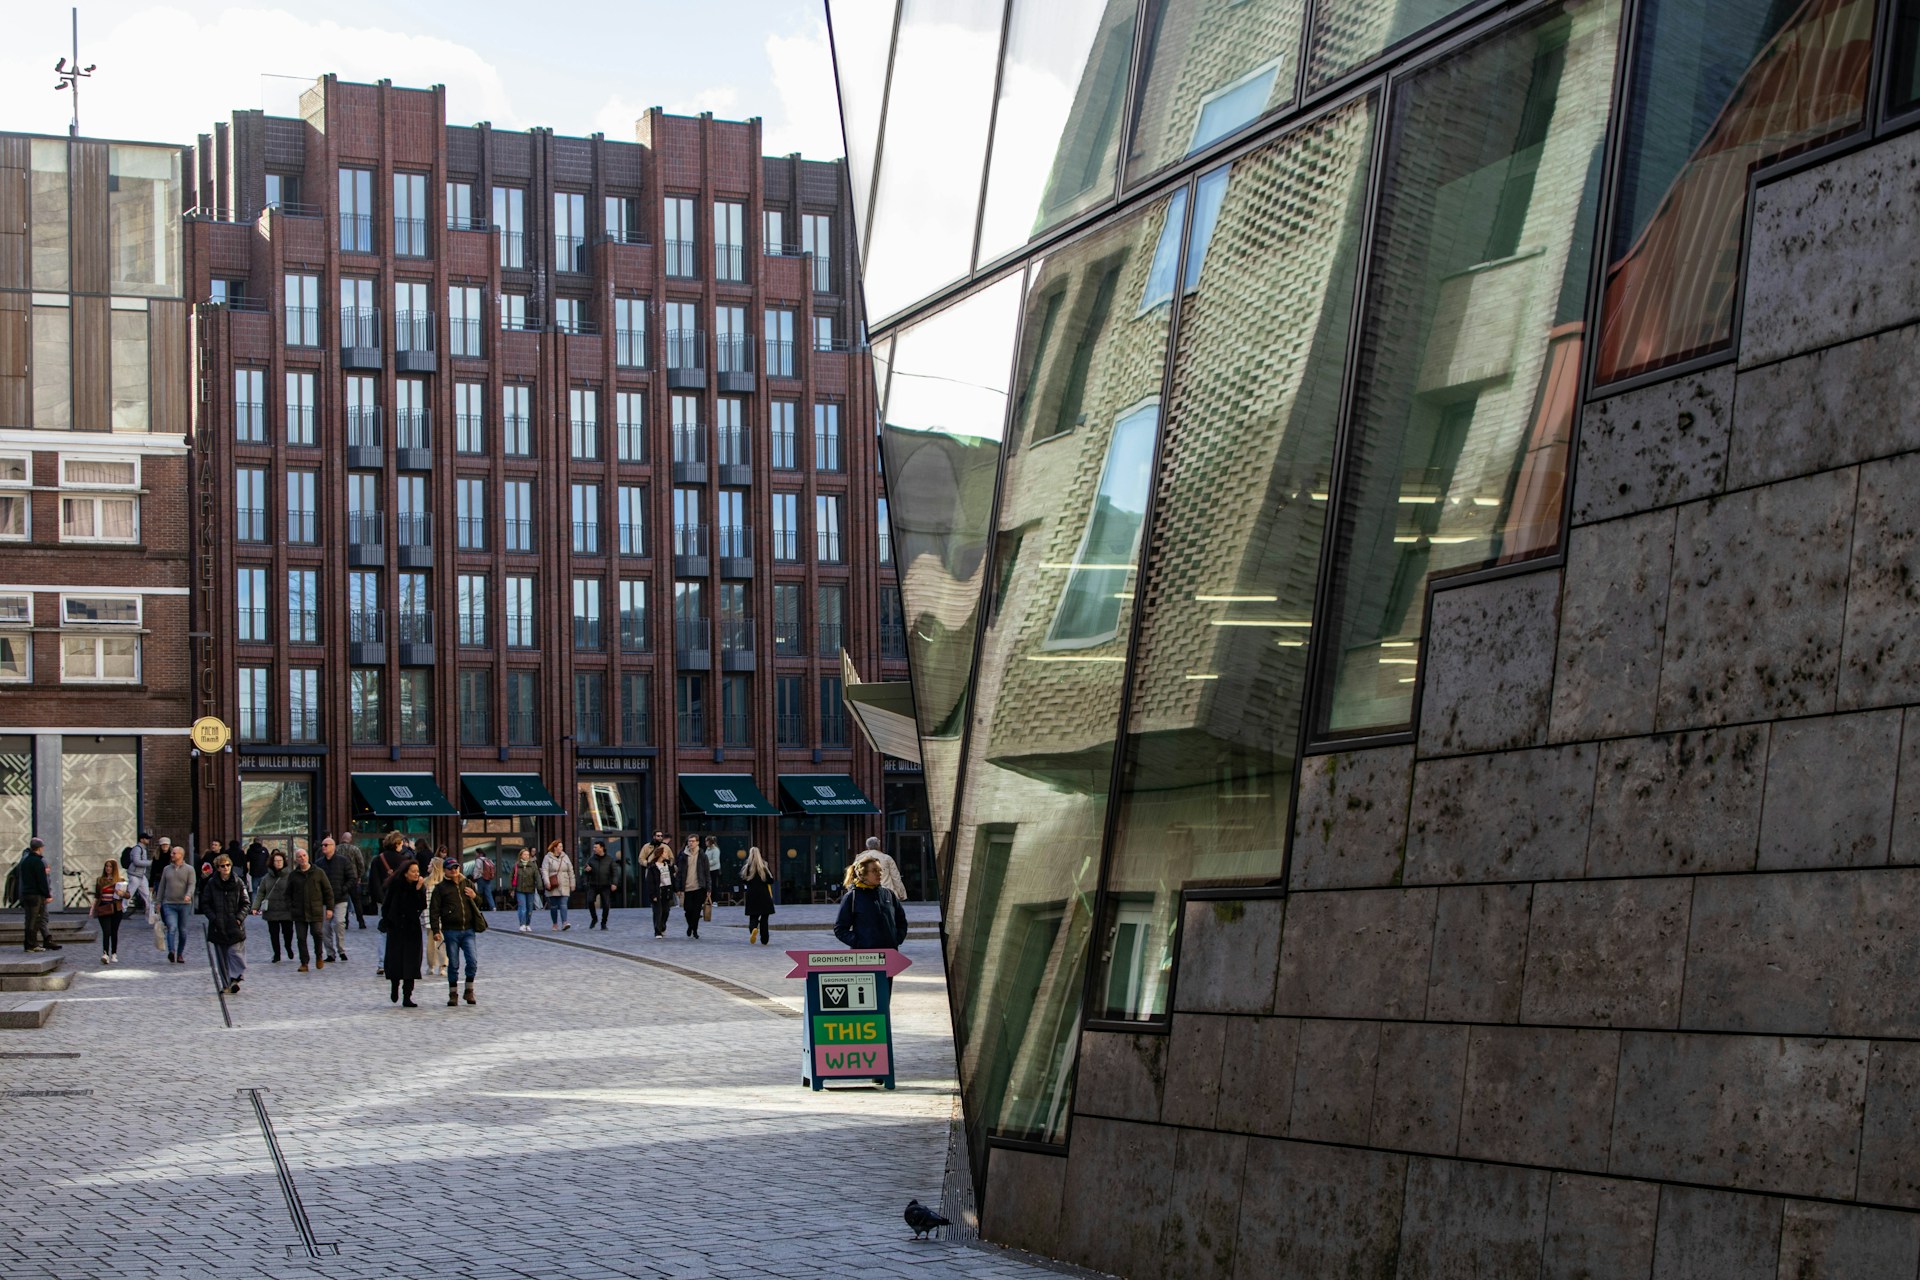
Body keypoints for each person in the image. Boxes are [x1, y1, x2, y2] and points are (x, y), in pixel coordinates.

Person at [429, 856, 483, 1007]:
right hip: (451, 931)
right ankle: (453, 994)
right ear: (445, 870)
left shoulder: (467, 883)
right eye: (450, 868)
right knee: (453, 963)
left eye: (456, 867)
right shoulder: (440, 888)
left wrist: (475, 896)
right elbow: (434, 911)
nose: (454, 870)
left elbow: (479, 902)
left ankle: (469, 989)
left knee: (472, 961)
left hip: (468, 930)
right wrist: (435, 930)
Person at [834, 854, 909, 950]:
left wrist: (896, 939)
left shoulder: (888, 894)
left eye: (880, 870)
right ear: (863, 874)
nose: (879, 874)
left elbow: (901, 921)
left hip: (889, 954)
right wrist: (859, 943)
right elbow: (840, 929)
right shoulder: (852, 897)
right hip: (864, 957)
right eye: (874, 871)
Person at [381, 858, 425, 1007]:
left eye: (417, 871)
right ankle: (394, 987)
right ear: (405, 873)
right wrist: (386, 921)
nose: (416, 874)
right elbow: (387, 905)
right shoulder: (395, 886)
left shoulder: (418, 887)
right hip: (396, 928)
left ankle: (407, 996)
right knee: (396, 961)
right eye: (413, 871)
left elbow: (421, 906)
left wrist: (418, 890)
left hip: (412, 929)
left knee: (411, 962)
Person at [203, 854, 250, 994]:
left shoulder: (238, 882)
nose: (226, 868)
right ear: (217, 868)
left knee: (235, 953)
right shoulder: (211, 884)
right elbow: (205, 903)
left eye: (228, 865)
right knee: (221, 958)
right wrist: (213, 918)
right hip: (218, 925)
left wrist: (239, 918)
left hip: (235, 925)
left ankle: (236, 977)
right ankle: (226, 984)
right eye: (222, 866)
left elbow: (246, 903)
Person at [284, 846, 333, 973]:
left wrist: (329, 908)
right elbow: (287, 894)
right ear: (296, 860)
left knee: (317, 933)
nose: (303, 858)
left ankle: (319, 956)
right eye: (299, 857)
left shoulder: (318, 872)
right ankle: (304, 962)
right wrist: (291, 907)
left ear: (308, 857)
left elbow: (328, 891)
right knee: (301, 937)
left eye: (304, 855)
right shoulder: (293, 875)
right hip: (299, 912)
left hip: (315, 910)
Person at [368, 834, 408, 976]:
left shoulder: (378, 860)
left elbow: (373, 882)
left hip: (384, 900)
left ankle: (382, 963)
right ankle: (398, 961)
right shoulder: (404, 861)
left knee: (383, 931)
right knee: (399, 931)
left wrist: (380, 899)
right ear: (397, 843)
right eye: (401, 842)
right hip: (400, 900)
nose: (403, 845)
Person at [314, 836, 356, 963]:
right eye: (322, 845)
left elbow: (351, 877)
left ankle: (341, 950)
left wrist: (344, 889)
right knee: (325, 928)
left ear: (333, 846)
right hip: (324, 900)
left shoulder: (343, 861)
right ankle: (330, 953)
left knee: (338, 923)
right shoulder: (319, 863)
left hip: (340, 898)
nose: (323, 847)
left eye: (326, 845)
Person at [14, 838, 57, 954]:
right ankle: (31, 944)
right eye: (42, 847)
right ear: (39, 848)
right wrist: (47, 894)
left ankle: (28, 944)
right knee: (35, 920)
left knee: (29, 920)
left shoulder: (25, 861)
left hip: (26, 894)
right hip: (36, 895)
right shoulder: (37, 862)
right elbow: (41, 881)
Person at [155, 843, 194, 962]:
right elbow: (162, 886)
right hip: (169, 903)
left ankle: (180, 953)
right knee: (171, 927)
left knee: (182, 930)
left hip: (184, 904)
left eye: (174, 853)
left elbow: (192, 884)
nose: (171, 854)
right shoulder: (166, 869)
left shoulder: (189, 869)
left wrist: (188, 895)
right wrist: (158, 901)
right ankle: (172, 951)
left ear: (181, 855)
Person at [252, 851, 294, 962]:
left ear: (284, 862)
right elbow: (261, 893)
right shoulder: (267, 877)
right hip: (271, 909)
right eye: (276, 861)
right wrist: (255, 907)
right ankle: (277, 954)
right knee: (274, 934)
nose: (278, 863)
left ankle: (288, 947)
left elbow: (296, 891)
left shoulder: (290, 875)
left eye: (280, 860)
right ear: (272, 862)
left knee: (288, 932)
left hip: (286, 909)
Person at [91, 859, 129, 963]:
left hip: (116, 908)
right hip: (103, 908)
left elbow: (128, 895)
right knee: (106, 931)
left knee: (114, 931)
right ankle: (105, 953)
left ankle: (114, 953)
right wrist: (92, 909)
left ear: (114, 868)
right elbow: (97, 896)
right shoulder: (100, 880)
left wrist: (121, 893)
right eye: (106, 866)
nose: (108, 868)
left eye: (110, 867)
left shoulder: (120, 880)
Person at [674, 835, 712, 939]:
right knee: (688, 910)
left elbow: (707, 873)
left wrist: (709, 888)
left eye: (693, 841)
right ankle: (690, 926)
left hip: (699, 887)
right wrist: (677, 888)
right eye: (689, 841)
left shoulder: (702, 856)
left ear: (698, 842)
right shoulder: (683, 855)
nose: (691, 843)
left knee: (696, 911)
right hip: (687, 888)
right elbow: (679, 873)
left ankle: (694, 929)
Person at [739, 847, 775, 946]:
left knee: (753, 916)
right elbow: (771, 880)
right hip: (764, 895)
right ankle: (764, 939)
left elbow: (743, 880)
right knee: (764, 918)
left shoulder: (747, 867)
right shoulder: (764, 866)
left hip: (752, 895)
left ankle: (753, 928)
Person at [539, 840, 575, 931]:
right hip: (553, 884)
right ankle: (555, 924)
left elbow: (571, 870)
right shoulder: (547, 857)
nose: (561, 848)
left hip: (564, 884)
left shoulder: (565, 857)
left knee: (563, 904)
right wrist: (547, 882)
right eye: (560, 846)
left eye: (562, 847)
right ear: (555, 848)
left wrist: (572, 883)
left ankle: (564, 923)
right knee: (554, 906)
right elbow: (544, 871)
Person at [582, 841, 618, 930]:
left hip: (605, 885)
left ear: (602, 848)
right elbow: (586, 870)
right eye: (594, 847)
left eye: (596, 847)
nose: (594, 849)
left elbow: (615, 872)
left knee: (606, 905)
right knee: (590, 901)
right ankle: (594, 918)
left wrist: (614, 883)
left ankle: (603, 923)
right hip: (593, 885)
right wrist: (587, 870)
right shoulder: (591, 859)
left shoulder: (609, 859)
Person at [860, 836, 909, 900]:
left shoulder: (860, 858)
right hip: (886, 892)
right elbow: (895, 877)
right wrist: (901, 893)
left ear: (867, 846)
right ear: (878, 846)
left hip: (865, 892)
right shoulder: (887, 858)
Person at [647, 843, 678, 938]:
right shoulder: (652, 867)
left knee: (666, 911)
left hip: (667, 890)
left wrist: (676, 889)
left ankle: (662, 925)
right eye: (665, 852)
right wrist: (653, 895)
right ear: (660, 854)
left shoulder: (668, 865)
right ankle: (657, 931)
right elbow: (650, 882)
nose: (667, 854)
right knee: (658, 912)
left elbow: (673, 878)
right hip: (658, 890)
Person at [422, 856, 447, 975]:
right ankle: (441, 966)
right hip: (440, 918)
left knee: (431, 943)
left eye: (430, 865)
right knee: (441, 942)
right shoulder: (441, 883)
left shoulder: (427, 883)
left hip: (430, 918)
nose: (428, 866)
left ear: (435, 867)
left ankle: (432, 966)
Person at [509, 846, 541, 933]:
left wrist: (539, 886)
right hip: (520, 890)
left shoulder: (533, 865)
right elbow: (511, 877)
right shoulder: (516, 866)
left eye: (528, 855)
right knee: (522, 908)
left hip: (530, 889)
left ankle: (527, 924)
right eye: (525, 854)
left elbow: (537, 876)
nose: (527, 856)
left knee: (530, 908)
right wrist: (511, 889)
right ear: (521, 856)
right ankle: (522, 924)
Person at [702, 837, 722, 919]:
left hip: (714, 869)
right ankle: (707, 900)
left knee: (713, 884)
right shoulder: (707, 849)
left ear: (710, 842)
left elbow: (715, 860)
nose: (705, 843)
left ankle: (715, 900)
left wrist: (706, 863)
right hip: (708, 869)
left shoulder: (715, 850)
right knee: (707, 885)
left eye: (706, 841)